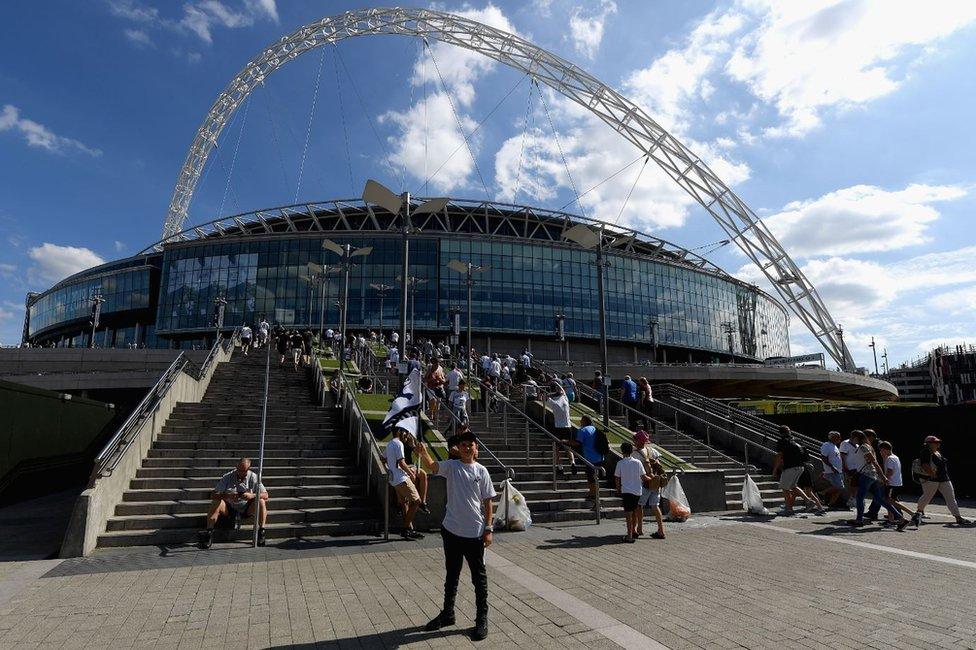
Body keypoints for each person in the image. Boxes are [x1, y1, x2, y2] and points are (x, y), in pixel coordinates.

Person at [417, 431, 496, 641]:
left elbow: (488, 502)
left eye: (471, 445)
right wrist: (424, 453)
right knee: (451, 575)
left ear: (475, 448)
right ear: (457, 448)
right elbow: (433, 467)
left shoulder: (482, 471)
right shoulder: (452, 467)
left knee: (479, 578)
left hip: (475, 533)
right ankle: (448, 613)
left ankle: (481, 618)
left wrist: (488, 529)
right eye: (463, 445)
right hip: (451, 531)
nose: (467, 448)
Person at [200, 457, 268, 548]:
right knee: (216, 502)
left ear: (248, 470)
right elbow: (213, 495)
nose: (240, 473)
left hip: (246, 508)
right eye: (238, 470)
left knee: (261, 501)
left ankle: (262, 531)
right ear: (236, 467)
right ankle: (209, 533)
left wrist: (253, 495)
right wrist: (228, 496)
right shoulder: (227, 476)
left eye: (243, 471)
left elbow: (266, 495)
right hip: (229, 508)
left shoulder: (254, 477)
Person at [848, 430, 909, 529]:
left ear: (856, 437)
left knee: (860, 497)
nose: (851, 439)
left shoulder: (863, 447)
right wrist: (880, 476)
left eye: (852, 437)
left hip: (866, 475)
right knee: (880, 499)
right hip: (873, 476)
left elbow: (874, 462)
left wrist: (883, 476)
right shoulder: (869, 446)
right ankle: (901, 519)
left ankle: (859, 520)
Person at [910, 436, 973, 527]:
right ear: (928, 444)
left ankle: (958, 517)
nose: (937, 443)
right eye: (935, 442)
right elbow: (924, 464)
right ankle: (919, 512)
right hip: (931, 479)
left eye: (938, 442)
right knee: (927, 496)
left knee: (951, 498)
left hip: (944, 479)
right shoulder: (926, 452)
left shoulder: (937, 452)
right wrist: (931, 473)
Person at [385, 422, 426, 540]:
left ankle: (409, 529)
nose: (407, 435)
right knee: (417, 501)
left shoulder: (390, 444)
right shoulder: (398, 444)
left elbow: (383, 458)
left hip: (394, 480)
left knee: (405, 503)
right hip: (401, 478)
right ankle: (405, 529)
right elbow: (402, 462)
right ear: (399, 432)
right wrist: (410, 473)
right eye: (406, 432)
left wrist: (390, 469)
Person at [632, 429, 666, 539]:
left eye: (635, 439)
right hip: (655, 482)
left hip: (644, 483)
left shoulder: (634, 454)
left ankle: (639, 529)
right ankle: (661, 530)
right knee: (655, 506)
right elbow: (659, 465)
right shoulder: (652, 451)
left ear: (637, 440)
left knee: (639, 505)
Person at [615, 441, 648, 543]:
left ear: (622, 451)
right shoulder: (637, 462)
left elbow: (617, 477)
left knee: (628, 514)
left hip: (626, 491)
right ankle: (634, 530)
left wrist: (618, 489)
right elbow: (643, 476)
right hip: (637, 491)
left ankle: (629, 536)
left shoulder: (620, 463)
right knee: (634, 512)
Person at [772, 426, 806, 516]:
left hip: (790, 467)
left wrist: (775, 469)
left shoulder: (782, 441)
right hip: (800, 466)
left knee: (785, 488)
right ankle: (807, 501)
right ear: (789, 432)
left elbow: (779, 456)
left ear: (780, 433)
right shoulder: (795, 440)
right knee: (793, 486)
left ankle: (789, 509)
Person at [877, 441, 912, 524]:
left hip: (892, 484)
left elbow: (890, 471)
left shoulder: (890, 458)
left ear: (884, 449)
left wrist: (883, 480)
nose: (881, 453)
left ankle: (912, 513)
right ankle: (891, 519)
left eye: (881, 451)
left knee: (889, 500)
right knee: (889, 500)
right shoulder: (895, 457)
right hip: (896, 483)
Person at [574, 415, 604, 510]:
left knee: (592, 480)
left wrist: (565, 442)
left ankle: (597, 502)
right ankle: (591, 494)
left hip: (590, 459)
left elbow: (577, 443)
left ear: (585, 421)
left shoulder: (582, 430)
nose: (580, 422)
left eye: (581, 420)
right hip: (600, 457)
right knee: (593, 479)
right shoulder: (595, 429)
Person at [547, 384, 575, 474]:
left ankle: (560, 467)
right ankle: (572, 463)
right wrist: (557, 384)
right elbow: (562, 390)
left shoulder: (553, 402)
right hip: (568, 426)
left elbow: (544, 397)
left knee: (556, 448)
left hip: (558, 427)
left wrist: (548, 393)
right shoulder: (565, 399)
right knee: (568, 448)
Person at [819, 431, 846, 507]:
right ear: (832, 437)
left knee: (838, 489)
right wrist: (831, 467)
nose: (839, 439)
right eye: (837, 437)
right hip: (832, 471)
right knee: (840, 487)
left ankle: (831, 504)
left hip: (838, 470)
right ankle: (821, 493)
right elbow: (824, 458)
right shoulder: (826, 445)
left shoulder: (834, 446)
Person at [424, 357, 447, 424]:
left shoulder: (440, 368)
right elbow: (425, 379)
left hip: (439, 387)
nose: (436, 366)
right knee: (433, 400)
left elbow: (443, 378)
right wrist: (432, 380)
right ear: (432, 364)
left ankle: (436, 416)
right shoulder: (430, 369)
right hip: (431, 387)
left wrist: (441, 380)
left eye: (437, 364)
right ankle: (431, 414)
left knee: (438, 403)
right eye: (435, 364)